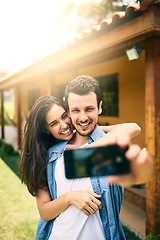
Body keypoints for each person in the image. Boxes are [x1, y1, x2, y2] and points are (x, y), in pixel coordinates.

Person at [34, 76, 151, 240]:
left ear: (99, 108)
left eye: (89, 109)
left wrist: (90, 141)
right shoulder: (51, 155)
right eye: (75, 111)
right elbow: (45, 212)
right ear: (69, 111)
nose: (82, 117)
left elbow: (129, 173)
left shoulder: (108, 149)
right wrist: (70, 197)